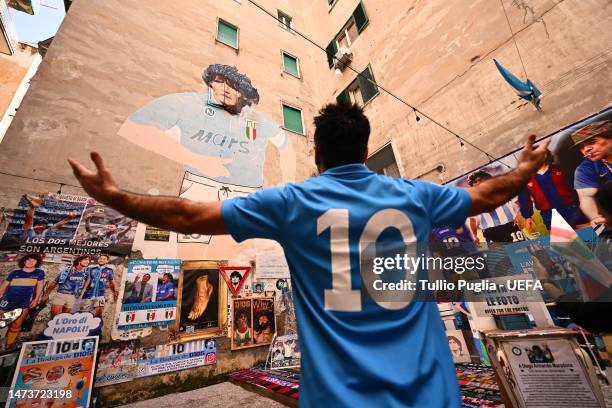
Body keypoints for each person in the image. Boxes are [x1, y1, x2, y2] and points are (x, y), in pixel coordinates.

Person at [68, 103, 550, 407]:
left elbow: (191, 217)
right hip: (431, 392)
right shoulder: (416, 196)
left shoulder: (290, 202)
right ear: (364, 150)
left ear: (318, 153)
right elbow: (487, 197)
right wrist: (525, 171)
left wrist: (117, 198)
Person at [117, 64, 295, 245]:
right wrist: (195, 159)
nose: (225, 88)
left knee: (243, 251)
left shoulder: (256, 119)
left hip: (246, 193)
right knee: (192, 250)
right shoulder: (189, 103)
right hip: (200, 187)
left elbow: (286, 144)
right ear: (210, 84)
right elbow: (134, 127)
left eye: (232, 85)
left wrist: (288, 184)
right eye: (218, 82)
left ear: (242, 92)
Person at [517, 152, 589, 230]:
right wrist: (527, 217)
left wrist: (583, 203)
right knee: (565, 241)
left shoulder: (560, 169)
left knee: (588, 237)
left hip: (572, 208)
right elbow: (523, 199)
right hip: (549, 214)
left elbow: (577, 186)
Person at [467, 170, 527, 243]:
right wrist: (474, 235)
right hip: (491, 233)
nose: (477, 183)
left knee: (522, 252)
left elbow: (519, 203)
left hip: (511, 227)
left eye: (479, 180)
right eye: (474, 182)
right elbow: (473, 220)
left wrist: (519, 213)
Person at [0, 254, 45, 349]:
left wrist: (36, 299)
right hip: (7, 301)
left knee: (16, 325)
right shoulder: (14, 272)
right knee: (1, 322)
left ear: (37, 263)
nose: (31, 262)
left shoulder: (39, 273)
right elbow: (3, 287)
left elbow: (40, 287)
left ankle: (8, 345)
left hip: (23, 303)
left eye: (33, 261)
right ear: (24, 261)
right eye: (28, 260)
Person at [572, 120, 612, 225]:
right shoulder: (585, 169)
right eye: (581, 147)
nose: (586, 149)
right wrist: (596, 217)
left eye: (592, 142)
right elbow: (586, 197)